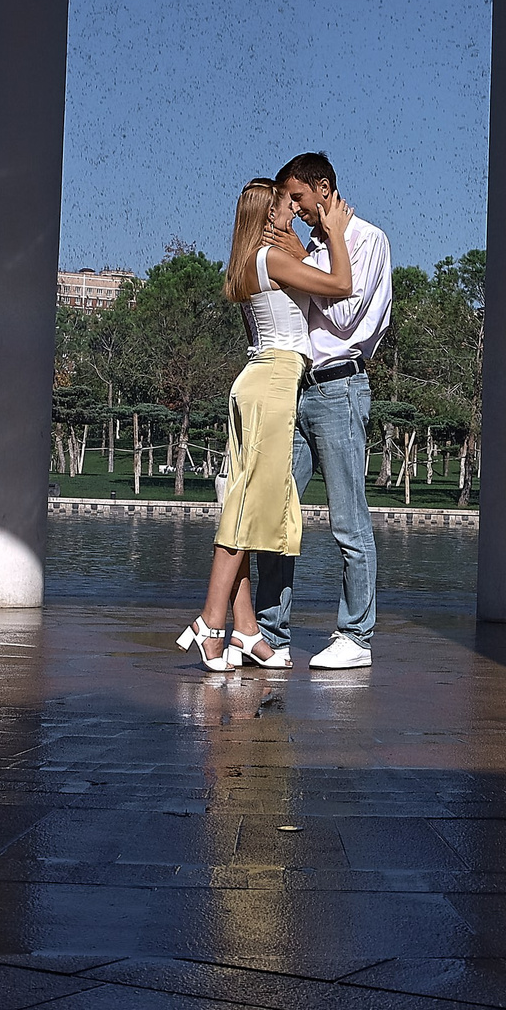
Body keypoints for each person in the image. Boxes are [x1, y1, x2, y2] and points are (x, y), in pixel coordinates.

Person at [175, 177, 356, 671]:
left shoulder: (248, 261)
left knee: (244, 504)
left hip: (256, 380)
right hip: (274, 383)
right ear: (266, 210)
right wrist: (335, 232)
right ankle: (212, 624)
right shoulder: (273, 258)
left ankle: (246, 629)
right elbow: (341, 285)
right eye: (285, 204)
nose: (292, 212)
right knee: (248, 510)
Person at [253, 152, 392, 669]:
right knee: (276, 511)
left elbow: (345, 312)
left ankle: (356, 636)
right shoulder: (308, 247)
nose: (293, 209)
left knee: (348, 521)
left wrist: (311, 257)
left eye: (297, 198)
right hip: (297, 389)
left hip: (339, 389)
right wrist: (304, 256)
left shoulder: (369, 240)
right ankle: (271, 634)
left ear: (325, 188)